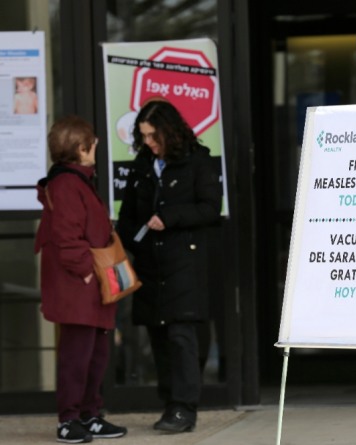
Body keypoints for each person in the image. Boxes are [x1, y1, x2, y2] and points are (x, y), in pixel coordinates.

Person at [117, 99, 222, 433]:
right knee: (159, 336)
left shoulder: (197, 162)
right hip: (150, 264)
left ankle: (184, 407)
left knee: (181, 336)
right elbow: (128, 216)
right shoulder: (142, 165)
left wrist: (171, 218)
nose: (149, 142)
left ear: (169, 132)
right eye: (144, 136)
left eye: (153, 135)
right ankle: (170, 404)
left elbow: (209, 209)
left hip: (184, 264)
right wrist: (135, 241)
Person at [35, 115, 128, 443]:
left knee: (95, 352)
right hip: (81, 284)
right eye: (91, 142)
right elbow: (67, 237)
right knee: (78, 355)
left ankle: (89, 415)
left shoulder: (77, 179)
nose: (96, 145)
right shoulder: (67, 184)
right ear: (80, 148)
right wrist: (87, 272)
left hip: (90, 284)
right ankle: (69, 419)